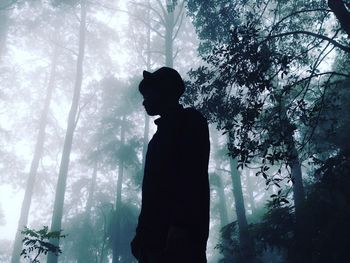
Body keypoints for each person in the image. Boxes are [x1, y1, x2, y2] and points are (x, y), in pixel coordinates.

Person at [131, 67, 210, 263]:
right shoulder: (157, 138)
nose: (144, 100)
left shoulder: (190, 121)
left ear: (164, 90)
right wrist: (141, 235)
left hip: (179, 239)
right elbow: (151, 192)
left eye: (148, 93)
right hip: (153, 242)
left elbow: (192, 176)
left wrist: (181, 225)